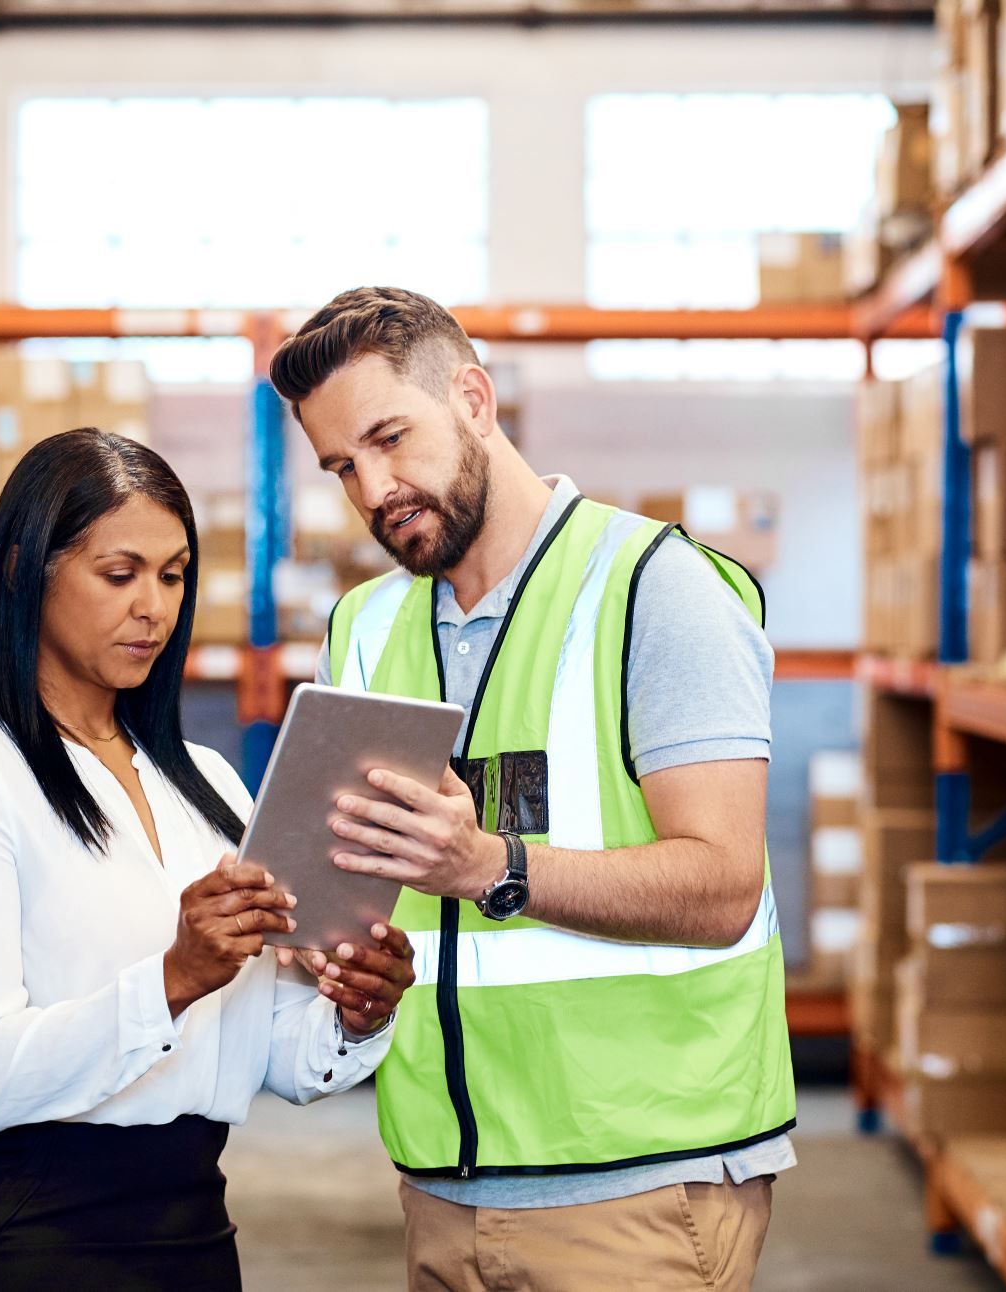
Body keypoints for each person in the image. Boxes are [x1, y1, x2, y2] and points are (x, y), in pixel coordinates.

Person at [270, 287, 795, 1292]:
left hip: (639, 1189)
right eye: (343, 465)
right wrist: (309, 933)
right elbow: (368, 895)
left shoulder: (655, 587)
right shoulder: (363, 628)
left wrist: (490, 865)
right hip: (442, 1183)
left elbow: (724, 885)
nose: (376, 488)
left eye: (391, 437)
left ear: (473, 396)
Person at [0, 428, 416, 1291]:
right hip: (15, 1216)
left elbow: (262, 1048)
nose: (154, 609)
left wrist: (353, 1016)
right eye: (119, 575)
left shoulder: (207, 785)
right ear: (23, 569)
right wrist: (173, 976)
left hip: (182, 1206)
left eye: (173, 577)